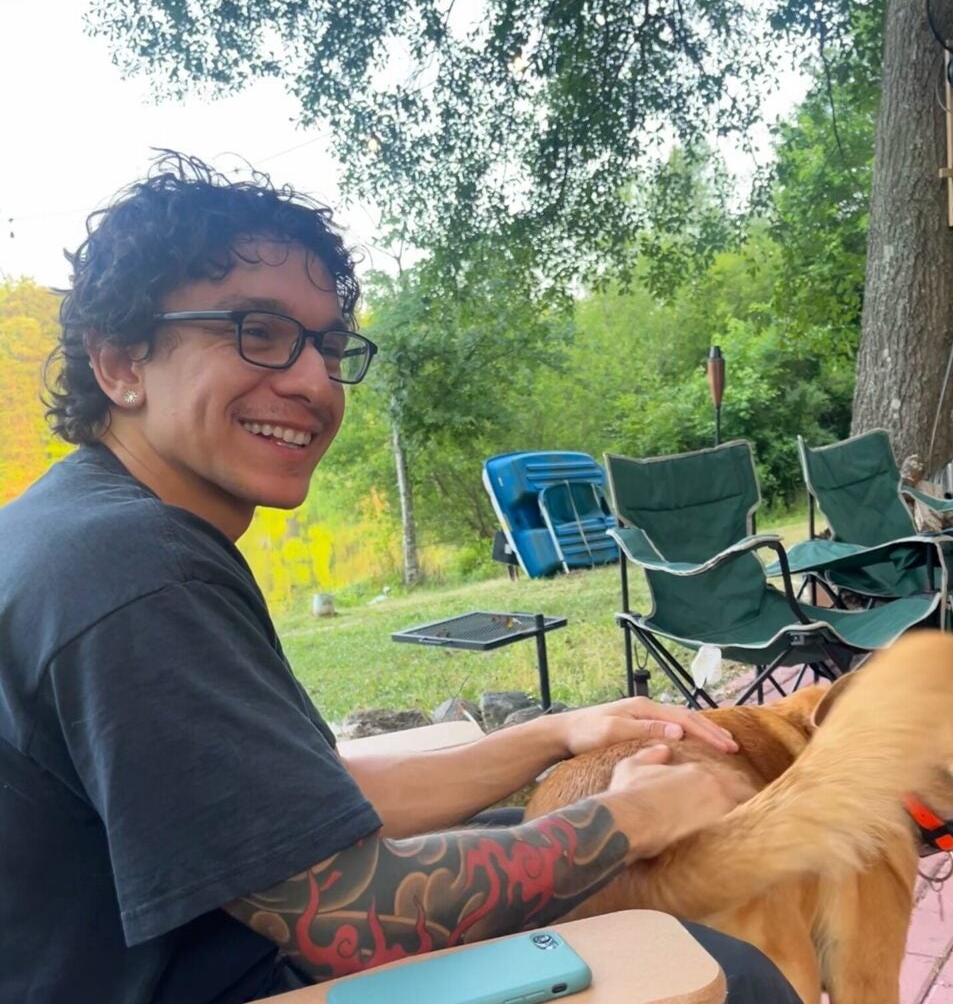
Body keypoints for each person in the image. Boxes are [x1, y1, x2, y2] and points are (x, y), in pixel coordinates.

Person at [0, 152, 800, 1004]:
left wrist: (555, 734)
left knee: (542, 842)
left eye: (328, 347)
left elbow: (309, 806)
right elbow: (350, 918)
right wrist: (633, 816)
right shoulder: (135, 574)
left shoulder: (86, 525)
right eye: (258, 332)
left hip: (222, 948)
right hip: (253, 981)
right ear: (121, 363)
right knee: (731, 973)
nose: (314, 381)